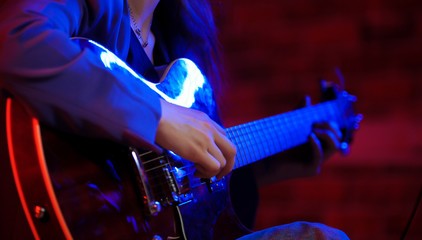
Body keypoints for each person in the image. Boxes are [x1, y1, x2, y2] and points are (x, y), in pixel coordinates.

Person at [0, 0, 349, 239]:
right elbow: (14, 40)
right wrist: (158, 115)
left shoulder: (181, 43)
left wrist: (274, 169)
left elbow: (179, 191)